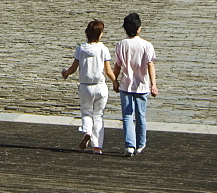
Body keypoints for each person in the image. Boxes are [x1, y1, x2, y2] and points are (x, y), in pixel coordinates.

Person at [61, 19, 116, 154]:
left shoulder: (81, 48)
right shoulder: (103, 49)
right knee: (98, 115)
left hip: (86, 86)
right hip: (100, 86)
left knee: (86, 112)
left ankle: (87, 131)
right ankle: (97, 146)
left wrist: (65, 73)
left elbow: (73, 68)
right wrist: (116, 81)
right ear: (100, 34)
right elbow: (108, 71)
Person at [113, 12, 158, 157]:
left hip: (126, 84)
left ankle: (129, 145)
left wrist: (115, 80)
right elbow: (150, 64)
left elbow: (118, 65)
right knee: (141, 115)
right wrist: (153, 84)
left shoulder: (121, 44)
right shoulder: (146, 45)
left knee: (127, 115)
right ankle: (140, 144)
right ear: (138, 28)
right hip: (142, 84)